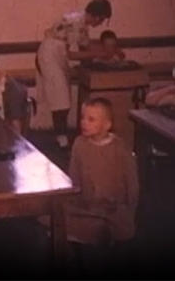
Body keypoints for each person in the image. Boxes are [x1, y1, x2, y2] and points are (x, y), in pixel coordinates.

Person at [65, 97, 139, 274]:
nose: (84, 123)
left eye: (91, 119)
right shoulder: (79, 145)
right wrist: (77, 202)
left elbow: (132, 184)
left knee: (117, 232)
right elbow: (74, 178)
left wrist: (129, 211)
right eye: (83, 117)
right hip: (87, 207)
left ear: (107, 125)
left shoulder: (121, 148)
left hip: (114, 208)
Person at [36, 0, 112, 149]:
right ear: (96, 16)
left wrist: (106, 53)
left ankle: (61, 135)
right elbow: (72, 54)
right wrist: (99, 55)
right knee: (61, 99)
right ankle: (61, 139)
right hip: (50, 55)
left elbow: (86, 46)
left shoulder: (83, 24)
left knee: (64, 97)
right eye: (102, 19)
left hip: (58, 55)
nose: (101, 23)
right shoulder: (76, 22)